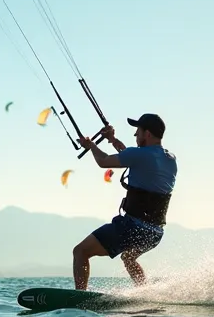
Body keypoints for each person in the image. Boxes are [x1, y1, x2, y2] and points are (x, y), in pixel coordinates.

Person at [72, 113, 177, 290]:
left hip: (133, 227)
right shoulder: (169, 159)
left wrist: (91, 145)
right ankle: (145, 293)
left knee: (80, 251)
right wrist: (112, 139)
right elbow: (134, 157)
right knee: (128, 257)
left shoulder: (140, 155)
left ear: (148, 134)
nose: (135, 135)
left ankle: (80, 297)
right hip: (155, 233)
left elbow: (104, 162)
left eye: (138, 131)